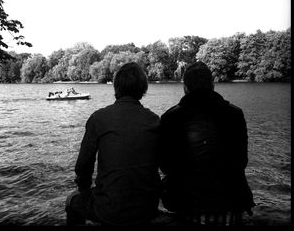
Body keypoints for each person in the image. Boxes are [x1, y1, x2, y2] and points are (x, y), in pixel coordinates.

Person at [159, 61, 255, 226]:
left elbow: (166, 166)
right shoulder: (235, 114)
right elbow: (241, 161)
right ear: (212, 85)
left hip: (188, 205)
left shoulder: (170, 117)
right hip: (230, 203)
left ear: (185, 87)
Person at [65, 62, 162, 226]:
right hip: (147, 208)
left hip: (110, 208)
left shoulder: (99, 118)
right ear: (143, 89)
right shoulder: (154, 120)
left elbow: (83, 166)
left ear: (116, 87)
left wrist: (84, 189)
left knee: (70, 202)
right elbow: (163, 163)